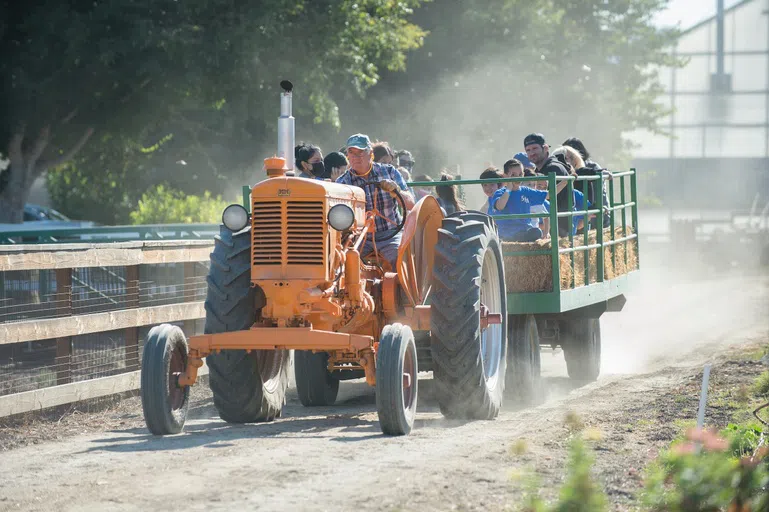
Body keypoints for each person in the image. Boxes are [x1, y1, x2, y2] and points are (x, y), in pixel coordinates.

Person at [335, 133, 415, 269]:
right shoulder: (342, 183)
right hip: (360, 237)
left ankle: (401, 289)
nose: (355, 157)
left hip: (390, 234)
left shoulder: (389, 172)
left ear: (371, 154)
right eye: (351, 153)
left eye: (360, 152)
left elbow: (410, 204)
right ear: (347, 156)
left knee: (400, 262)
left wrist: (397, 192)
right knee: (342, 264)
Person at [489, 159, 569, 242]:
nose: (517, 178)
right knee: (533, 233)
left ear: (523, 174)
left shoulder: (526, 191)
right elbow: (500, 206)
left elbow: (549, 195)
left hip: (524, 231)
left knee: (536, 232)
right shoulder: (500, 192)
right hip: (506, 233)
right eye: (513, 175)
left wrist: (565, 181)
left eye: (520, 174)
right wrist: (509, 188)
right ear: (505, 176)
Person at [524, 133, 572, 237]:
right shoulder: (539, 170)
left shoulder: (553, 168)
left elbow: (545, 200)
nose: (531, 153)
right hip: (550, 222)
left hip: (558, 227)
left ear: (545, 148)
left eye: (535, 148)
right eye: (528, 150)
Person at [563, 137, 612, 228]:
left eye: (571, 156)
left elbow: (600, 193)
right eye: (565, 156)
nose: (568, 160)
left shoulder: (592, 166)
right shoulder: (563, 168)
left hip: (595, 210)